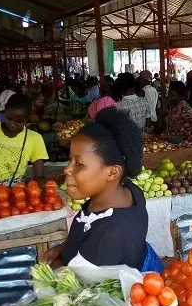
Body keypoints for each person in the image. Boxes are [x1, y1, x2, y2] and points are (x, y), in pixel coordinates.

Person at [42, 108, 162, 271]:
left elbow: (77, 282)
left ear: (112, 172)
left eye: (79, 164)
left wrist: (50, 268)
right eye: (70, 160)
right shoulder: (127, 190)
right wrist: (63, 248)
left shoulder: (109, 235)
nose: (67, 170)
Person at [0, 94, 48, 185]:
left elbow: (38, 177)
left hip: (15, 192)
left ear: (27, 119)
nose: (12, 124)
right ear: (4, 112)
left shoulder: (35, 139)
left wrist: (49, 183)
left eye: (19, 121)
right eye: (9, 118)